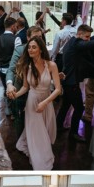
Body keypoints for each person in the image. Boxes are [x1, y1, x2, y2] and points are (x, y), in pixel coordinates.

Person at [11, 36, 62, 170]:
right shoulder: (27, 66)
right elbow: (25, 87)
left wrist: (45, 103)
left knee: (44, 130)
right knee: (37, 132)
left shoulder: (51, 65)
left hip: (46, 101)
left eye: (34, 47)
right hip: (32, 103)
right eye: (29, 47)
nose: (30, 50)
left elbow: (58, 89)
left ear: (40, 49)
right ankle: (40, 158)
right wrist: (15, 95)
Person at [5, 26, 44, 136]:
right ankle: (20, 143)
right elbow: (11, 69)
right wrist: (9, 85)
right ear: (28, 38)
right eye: (35, 37)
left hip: (38, 92)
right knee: (20, 119)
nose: (38, 40)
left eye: (40, 37)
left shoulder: (43, 51)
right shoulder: (20, 50)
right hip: (21, 89)